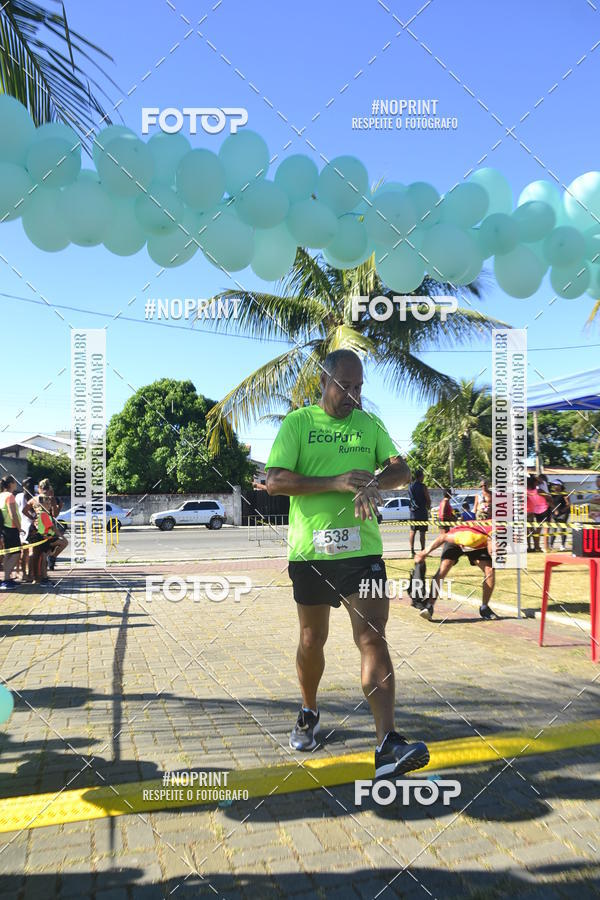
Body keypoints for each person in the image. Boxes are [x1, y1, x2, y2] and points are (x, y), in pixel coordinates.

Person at [265, 348, 429, 780]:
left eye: (359, 387)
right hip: (311, 554)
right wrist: (336, 482)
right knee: (311, 639)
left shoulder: (369, 425)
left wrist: (373, 481)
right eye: (345, 386)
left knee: (372, 636)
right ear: (323, 382)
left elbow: (402, 470)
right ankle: (308, 710)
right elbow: (275, 481)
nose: (353, 395)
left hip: (363, 553)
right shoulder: (298, 423)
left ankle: (387, 744)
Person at [414, 521, 497, 621]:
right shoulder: (471, 537)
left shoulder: (502, 534)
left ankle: (484, 608)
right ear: (490, 541)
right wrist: (424, 553)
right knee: (443, 569)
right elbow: (443, 537)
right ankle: (429, 605)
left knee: (490, 571)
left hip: (478, 546)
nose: (494, 553)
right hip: (457, 542)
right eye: (494, 551)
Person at [0, 474, 22, 591]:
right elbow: (12, 514)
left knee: (8, 554)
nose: (16, 484)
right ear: (10, 484)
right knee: (16, 553)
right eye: (14, 482)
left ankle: (7, 578)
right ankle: (6, 579)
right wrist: (19, 528)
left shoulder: (1, 495)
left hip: (4, 528)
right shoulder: (10, 496)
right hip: (11, 528)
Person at [408, 468, 431, 558]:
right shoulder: (423, 486)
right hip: (422, 512)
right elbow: (428, 499)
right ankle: (423, 550)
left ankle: (412, 551)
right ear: (421, 477)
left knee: (412, 531)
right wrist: (428, 507)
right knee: (422, 532)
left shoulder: (410, 486)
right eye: (423, 476)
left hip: (413, 512)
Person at [16, 477, 36, 582]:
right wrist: (33, 518)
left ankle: (24, 574)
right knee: (33, 551)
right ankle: (31, 573)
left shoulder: (19, 496)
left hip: (22, 527)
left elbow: (16, 511)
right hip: (32, 526)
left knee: (24, 552)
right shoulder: (35, 497)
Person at [527, 474, 550, 552]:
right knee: (545, 528)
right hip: (543, 508)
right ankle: (545, 547)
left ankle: (536, 546)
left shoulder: (527, 490)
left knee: (536, 529)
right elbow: (548, 497)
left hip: (535, 509)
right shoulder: (540, 486)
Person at [548, 480, 570, 552]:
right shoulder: (551, 493)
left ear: (560, 486)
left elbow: (568, 504)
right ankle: (551, 545)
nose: (554, 486)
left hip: (563, 513)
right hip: (554, 513)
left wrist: (561, 511)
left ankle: (562, 545)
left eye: (556, 485)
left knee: (562, 529)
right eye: (553, 485)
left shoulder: (564, 493)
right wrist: (555, 510)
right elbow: (549, 502)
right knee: (553, 529)